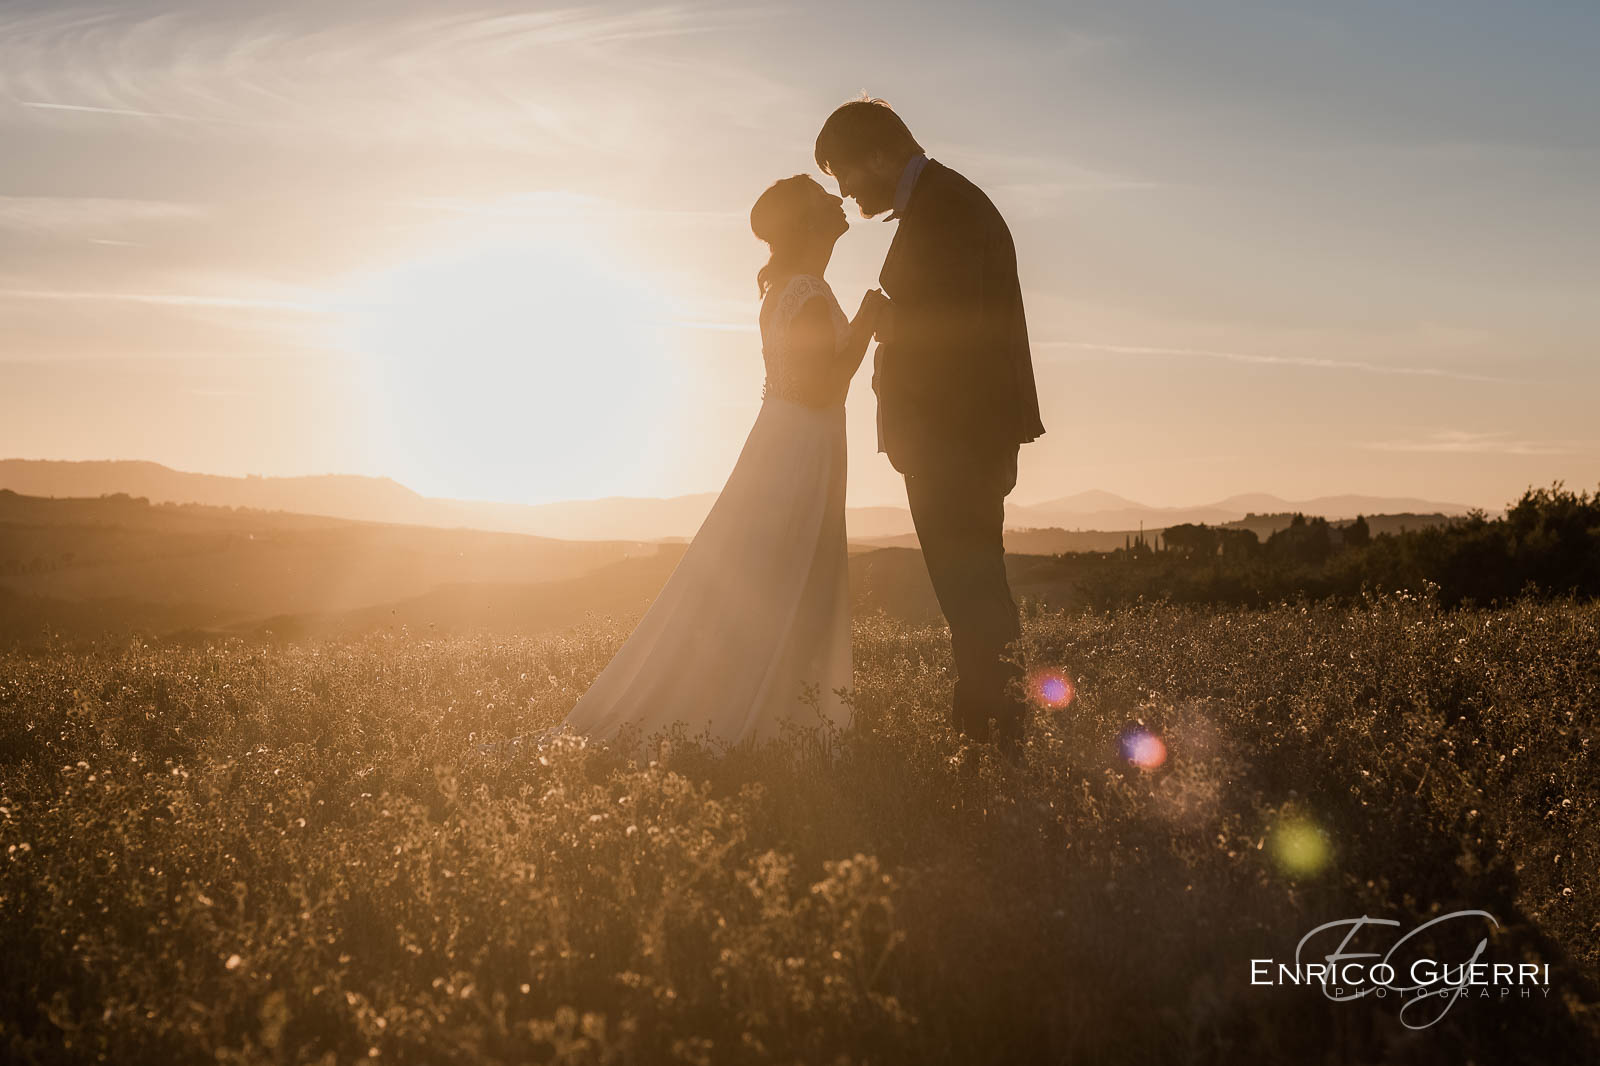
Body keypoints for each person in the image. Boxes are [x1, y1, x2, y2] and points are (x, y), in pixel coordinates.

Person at [555, 175, 888, 752]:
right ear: (806, 222)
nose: (836, 198)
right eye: (821, 195)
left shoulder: (788, 287)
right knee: (788, 572)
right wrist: (866, 322)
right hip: (801, 447)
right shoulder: (806, 291)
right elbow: (821, 386)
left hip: (783, 440)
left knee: (769, 574)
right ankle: (767, 721)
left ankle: (774, 708)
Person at [815, 97, 1045, 746]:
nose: (847, 192)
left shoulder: (947, 209)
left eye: (847, 174)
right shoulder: (942, 204)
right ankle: (989, 732)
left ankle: (993, 737)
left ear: (882, 154)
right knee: (971, 589)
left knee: (971, 591)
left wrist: (888, 323)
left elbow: (961, 330)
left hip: (957, 435)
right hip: (955, 434)